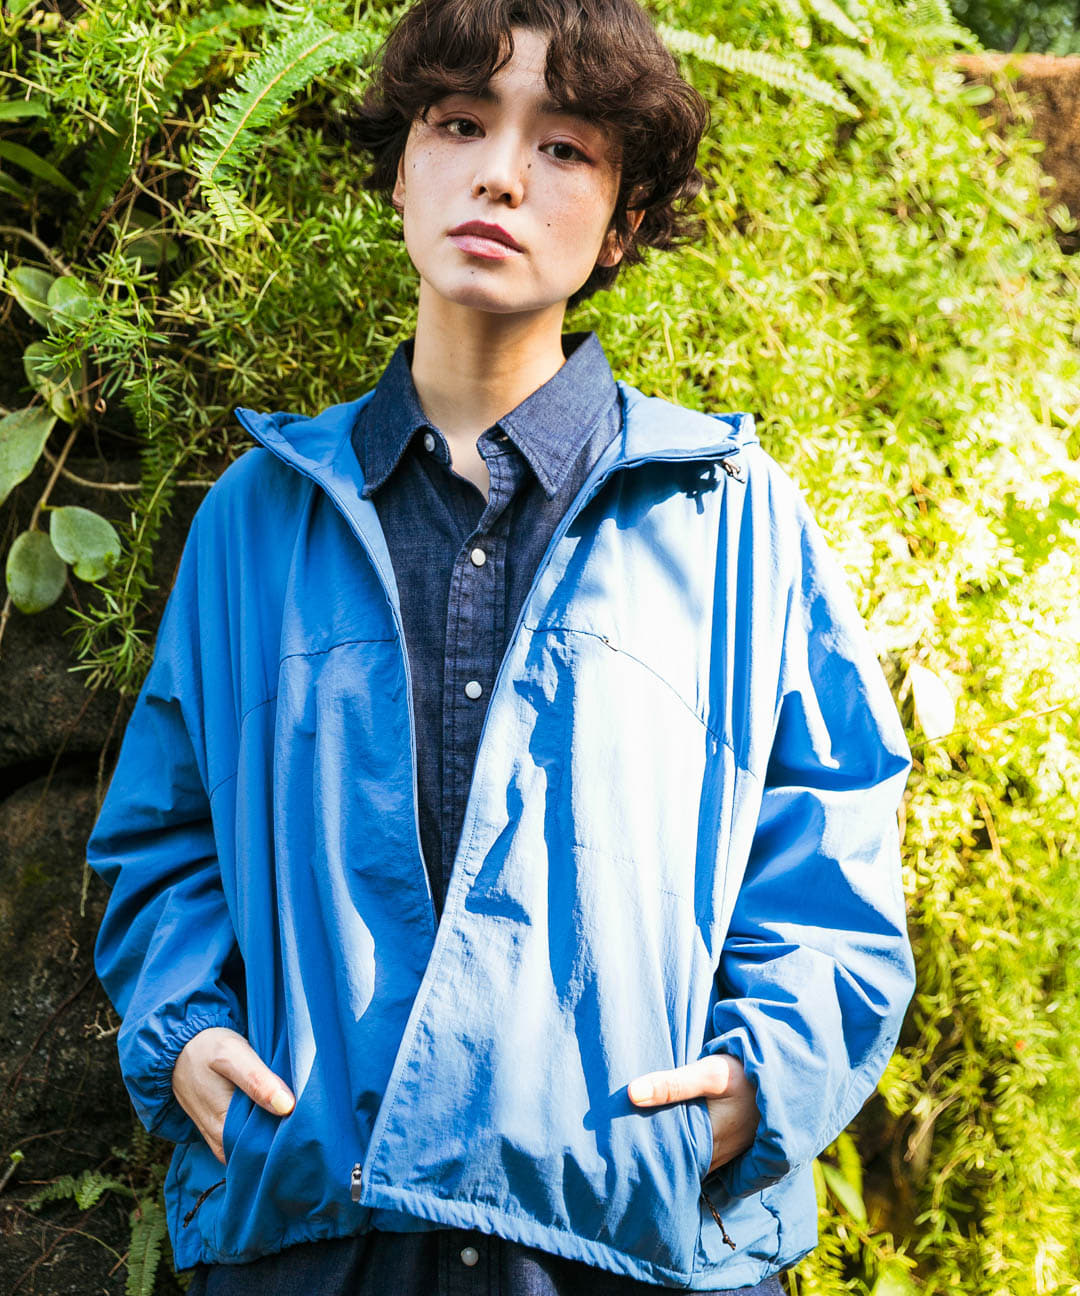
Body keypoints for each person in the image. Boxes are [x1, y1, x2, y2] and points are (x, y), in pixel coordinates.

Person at [85, 0, 917, 1291]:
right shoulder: (260, 519)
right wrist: (185, 1036)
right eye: (461, 124)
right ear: (401, 169)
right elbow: (165, 836)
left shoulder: (734, 520)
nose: (502, 175)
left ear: (624, 219)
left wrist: (759, 1084)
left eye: (565, 147)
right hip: (319, 1236)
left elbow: (835, 852)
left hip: (624, 1235)